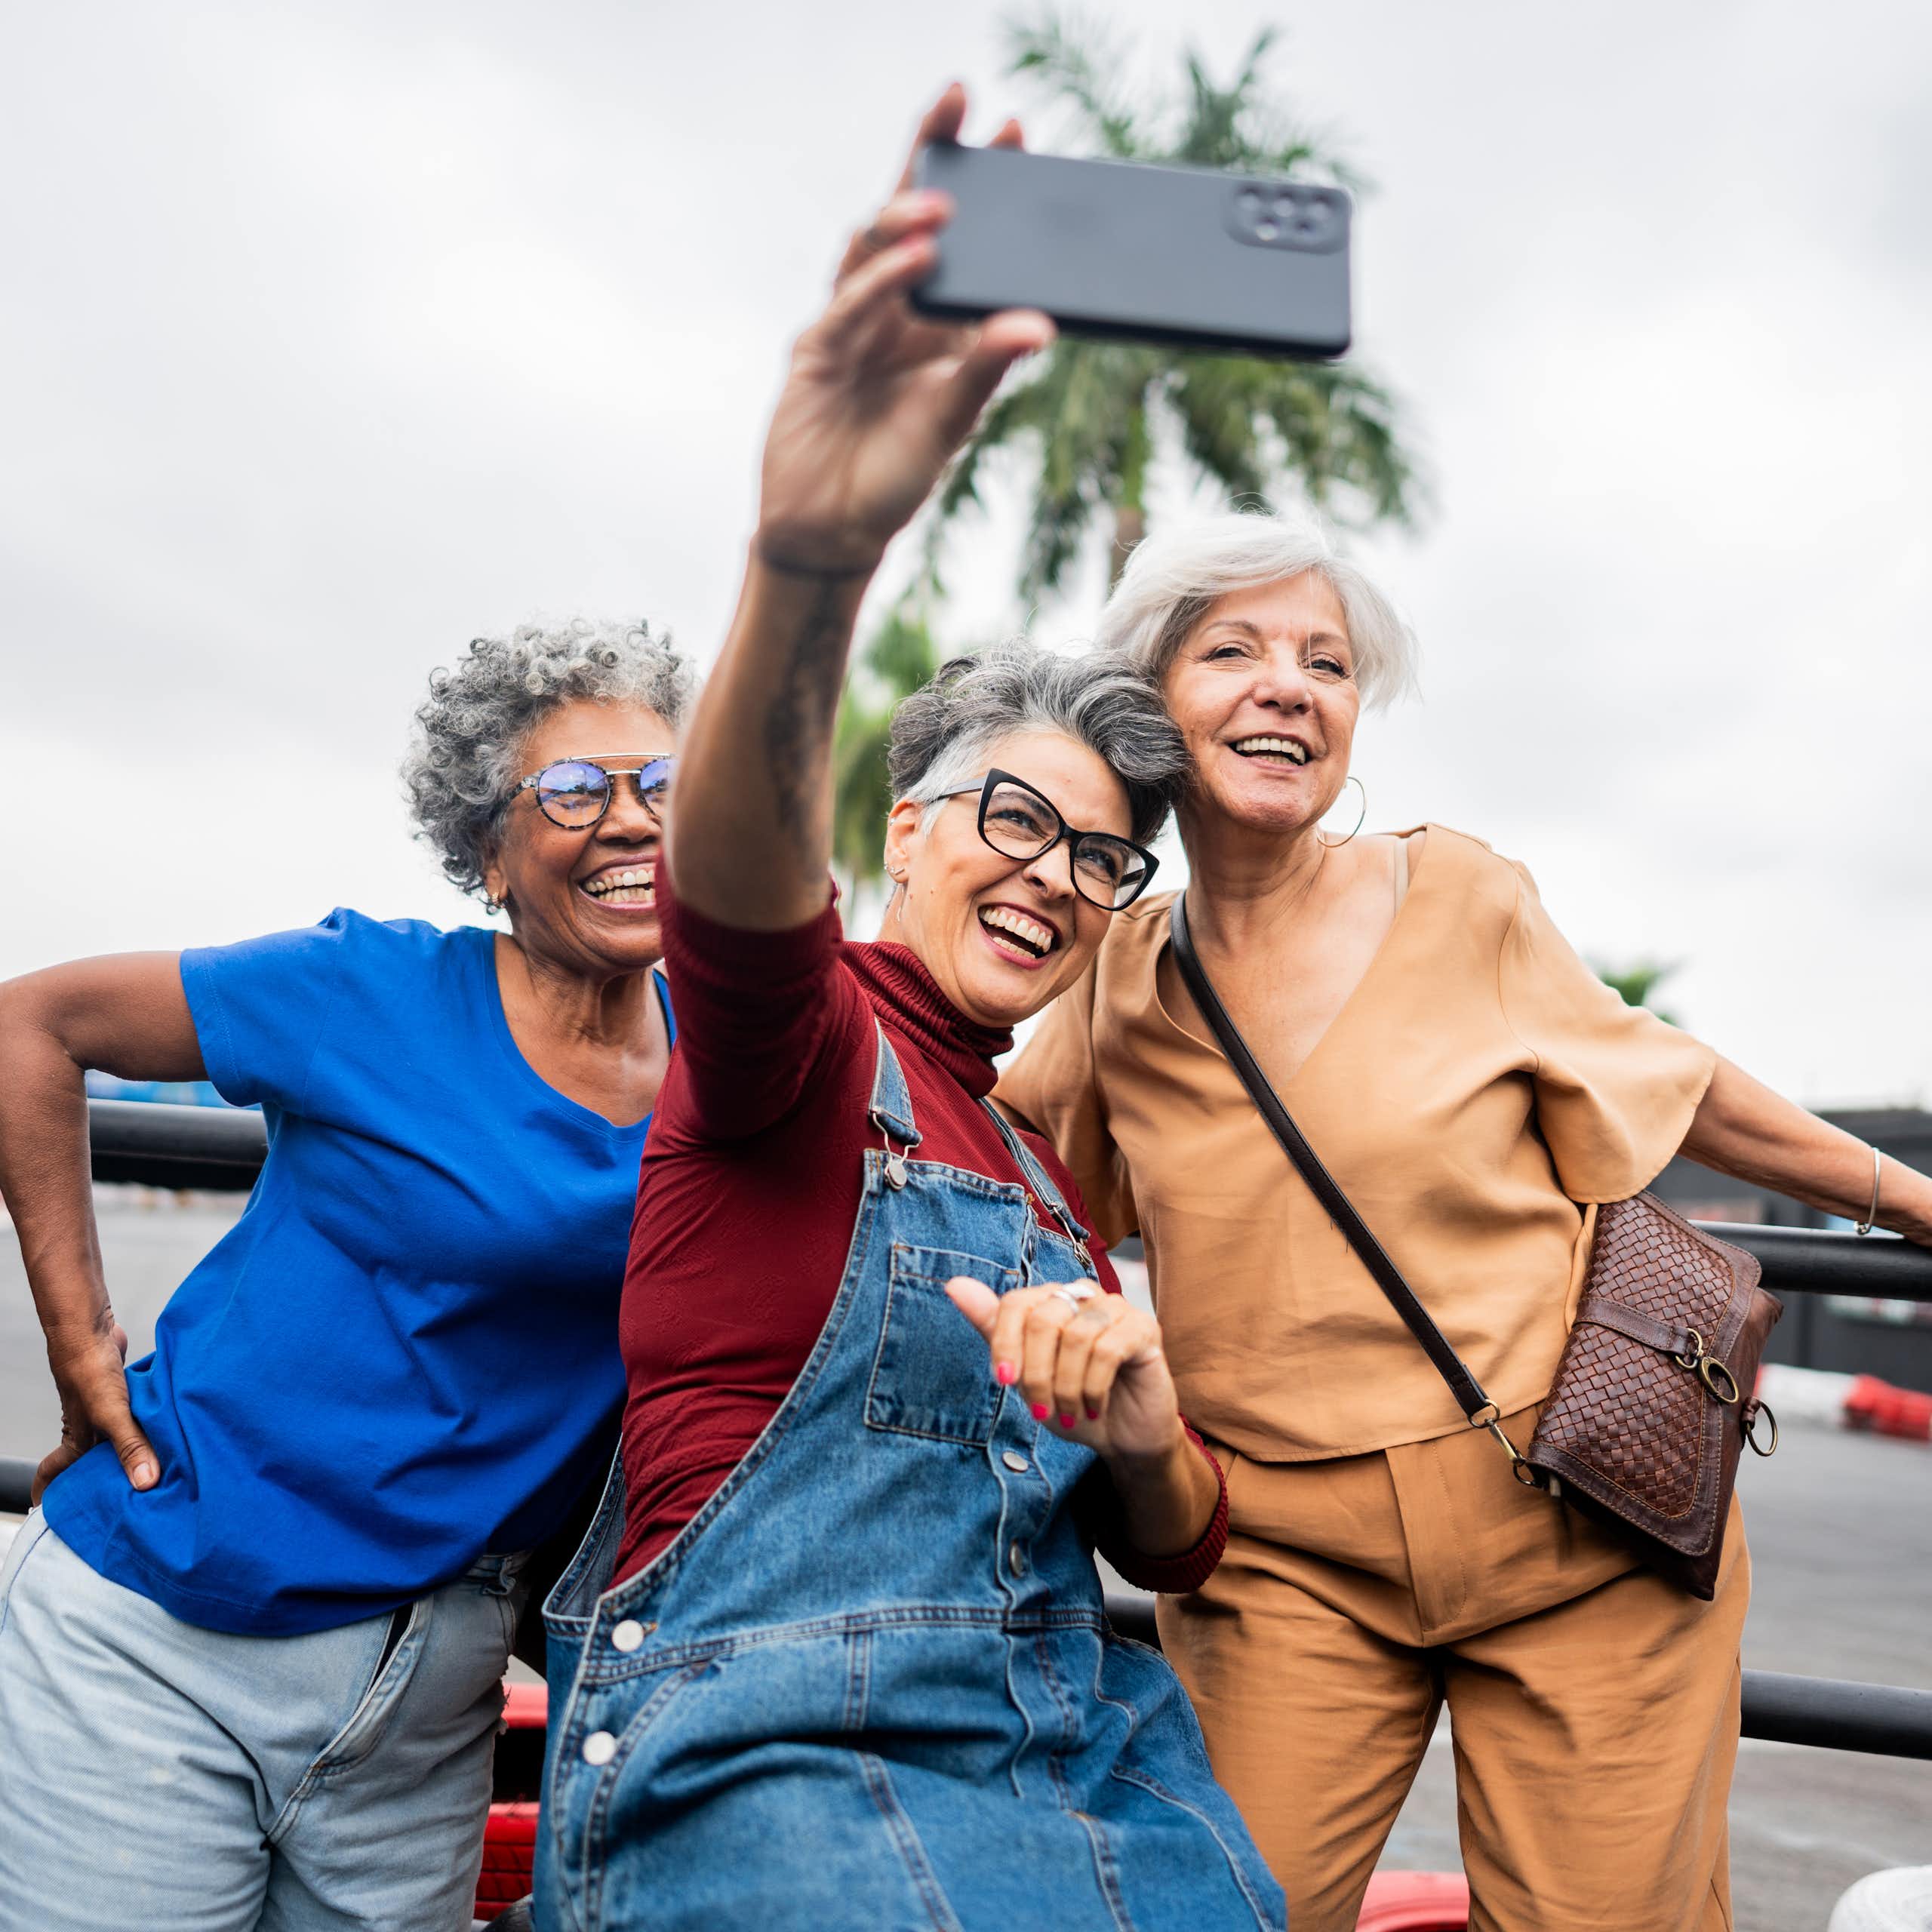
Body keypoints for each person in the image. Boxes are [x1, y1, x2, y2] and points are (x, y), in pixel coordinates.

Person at [533, 91, 1284, 1932]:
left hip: (1080, 1753)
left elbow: (1173, 1538)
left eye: (1100, 859)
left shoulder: (1038, 1171)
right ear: (900, 829)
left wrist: (1136, 1414)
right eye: (1012, 818)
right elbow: (729, 893)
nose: (1050, 876)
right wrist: (810, 558)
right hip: (771, 1753)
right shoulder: (792, 1053)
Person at [995, 512, 1932, 1932]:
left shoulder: (1463, 896)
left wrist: (1915, 1199)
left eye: (1327, 663)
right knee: (1227, 1912)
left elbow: (1681, 1087)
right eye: (1233, 650)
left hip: (1576, 1524)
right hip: (1279, 1566)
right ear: (1150, 704)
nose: (1289, 687)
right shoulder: (1111, 977)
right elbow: (974, 1139)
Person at [0, 618, 694, 1932]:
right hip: (157, 1645)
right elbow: (31, 1022)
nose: (629, 821)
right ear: (490, 850)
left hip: (431, 1703)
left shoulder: (738, 1059)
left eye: (662, 785)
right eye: (572, 791)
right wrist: (81, 1346)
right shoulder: (366, 989)